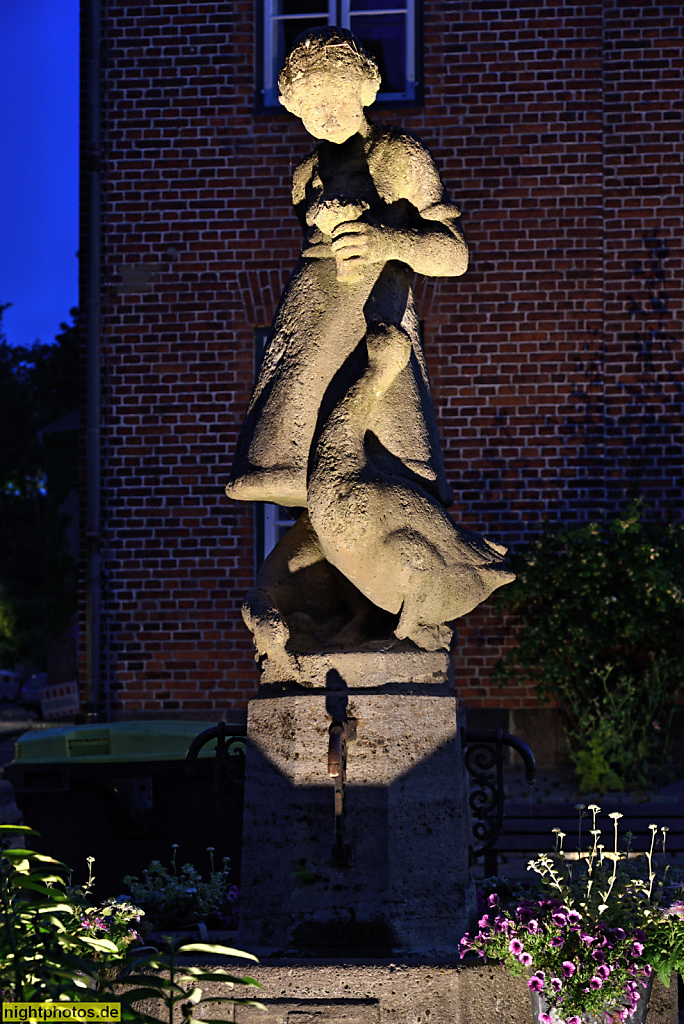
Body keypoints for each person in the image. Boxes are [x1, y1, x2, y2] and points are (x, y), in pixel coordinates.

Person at [225, 27, 512, 664]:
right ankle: (320, 607)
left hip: (372, 325)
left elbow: (453, 255)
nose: (326, 113)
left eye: (338, 97)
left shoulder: (397, 157)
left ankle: (397, 601)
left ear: (367, 92)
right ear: (295, 110)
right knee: (307, 478)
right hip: (312, 326)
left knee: (385, 478)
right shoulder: (305, 175)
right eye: (311, 104)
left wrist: (389, 243)